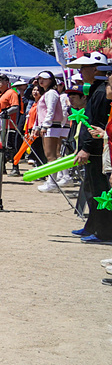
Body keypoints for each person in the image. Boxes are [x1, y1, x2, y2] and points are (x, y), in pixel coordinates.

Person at [73, 66, 111, 243]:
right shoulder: (97, 90)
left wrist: (86, 148)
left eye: (83, 68)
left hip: (96, 152)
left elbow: (97, 124)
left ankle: (103, 232)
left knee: (99, 192)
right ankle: (92, 226)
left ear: (95, 70)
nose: (80, 72)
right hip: (93, 149)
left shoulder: (101, 92)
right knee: (90, 190)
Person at [34, 71, 68, 193]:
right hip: (50, 126)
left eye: (45, 79)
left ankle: (52, 182)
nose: (41, 81)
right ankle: (52, 181)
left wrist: (45, 125)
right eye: (40, 79)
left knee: (51, 155)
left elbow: (50, 111)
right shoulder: (48, 93)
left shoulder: (51, 93)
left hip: (52, 126)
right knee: (52, 154)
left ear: (51, 80)